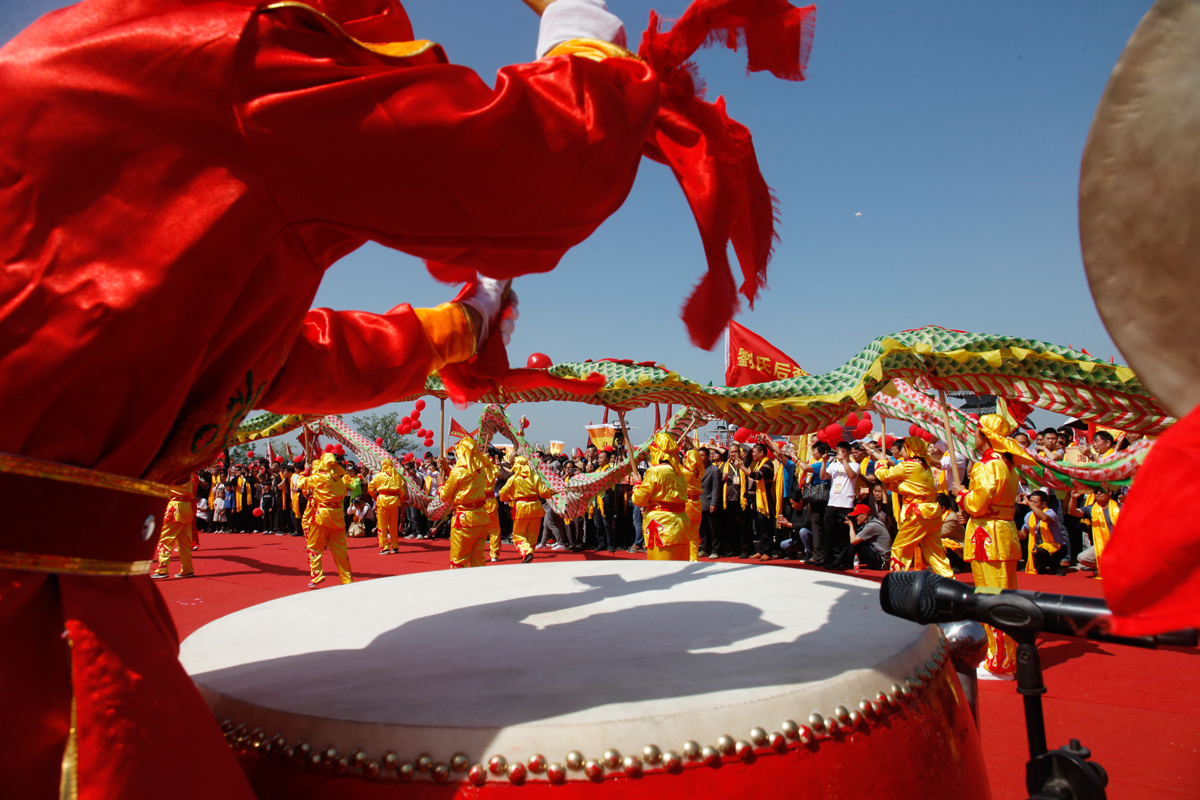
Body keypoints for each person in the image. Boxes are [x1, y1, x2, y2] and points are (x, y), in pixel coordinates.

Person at [953, 414, 1035, 681]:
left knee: (991, 598)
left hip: (987, 535)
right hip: (1000, 532)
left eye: (976, 432)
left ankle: (1000, 663)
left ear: (984, 434)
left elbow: (977, 504)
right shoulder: (1007, 465)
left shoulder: (987, 465)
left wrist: (961, 493)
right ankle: (1003, 657)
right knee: (1003, 596)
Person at [870, 437, 953, 578]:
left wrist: (881, 462)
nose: (902, 450)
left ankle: (896, 581)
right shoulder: (924, 463)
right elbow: (909, 487)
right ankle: (949, 580)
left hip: (918, 512)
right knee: (935, 552)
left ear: (910, 449)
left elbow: (883, 475)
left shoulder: (907, 466)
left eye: (904, 448)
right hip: (932, 511)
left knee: (900, 548)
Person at [631, 431, 690, 561]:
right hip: (681, 523)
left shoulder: (655, 471)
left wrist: (637, 483)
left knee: (662, 571)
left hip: (661, 525)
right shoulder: (680, 472)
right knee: (683, 570)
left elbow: (639, 499)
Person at [439, 438, 492, 569]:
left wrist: (441, 483)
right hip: (481, 517)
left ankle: (458, 587)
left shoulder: (459, 471)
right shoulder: (480, 470)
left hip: (464, 520)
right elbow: (465, 480)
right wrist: (447, 470)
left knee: (459, 560)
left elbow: (445, 496)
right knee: (478, 559)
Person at [304, 453, 353, 589]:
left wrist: (306, 470)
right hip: (337, 515)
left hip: (323, 515)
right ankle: (346, 578)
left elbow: (301, 484)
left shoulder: (320, 477)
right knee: (340, 550)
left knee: (314, 547)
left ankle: (316, 574)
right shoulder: (340, 480)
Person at [499, 455, 555, 563]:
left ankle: (527, 552)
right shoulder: (535, 477)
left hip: (522, 507)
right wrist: (551, 492)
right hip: (536, 507)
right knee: (532, 534)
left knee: (518, 534)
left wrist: (509, 498)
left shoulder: (514, 479)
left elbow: (502, 493)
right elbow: (544, 493)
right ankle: (529, 554)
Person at [817, 441, 860, 569]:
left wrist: (844, 460)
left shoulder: (855, 465)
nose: (840, 454)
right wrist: (824, 462)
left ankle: (846, 561)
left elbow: (852, 475)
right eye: (838, 451)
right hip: (832, 503)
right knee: (829, 532)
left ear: (849, 452)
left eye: (843, 452)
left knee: (845, 534)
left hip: (846, 504)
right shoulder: (833, 465)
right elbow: (823, 476)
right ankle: (828, 557)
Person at [151, 477, 199, 580]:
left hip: (175, 507)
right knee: (185, 543)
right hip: (187, 507)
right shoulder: (190, 475)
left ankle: (162, 569)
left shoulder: (174, 473)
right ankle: (187, 569)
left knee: (166, 540)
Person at [1068, 485, 1121, 577]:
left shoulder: (1120, 507)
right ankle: (1102, 566)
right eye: (1096, 492)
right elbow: (1073, 512)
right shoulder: (1091, 509)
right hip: (1101, 545)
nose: (1099, 493)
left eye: (1102, 491)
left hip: (1120, 545)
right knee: (1082, 558)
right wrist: (1073, 499)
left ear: (1110, 492)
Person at [1021, 490, 1064, 575]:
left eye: (1034, 502)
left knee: (1041, 550)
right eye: (1031, 501)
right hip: (1037, 547)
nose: (1031, 504)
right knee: (1019, 542)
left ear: (1044, 504)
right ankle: (1038, 566)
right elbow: (1023, 535)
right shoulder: (1029, 515)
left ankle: (1056, 567)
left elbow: (1044, 518)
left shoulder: (1050, 512)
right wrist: (1011, 526)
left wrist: (1029, 503)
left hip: (1056, 547)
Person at [368, 458, 405, 555]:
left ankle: (384, 547)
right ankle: (395, 546)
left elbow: (370, 487)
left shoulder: (379, 475)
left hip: (382, 501)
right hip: (394, 501)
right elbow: (402, 491)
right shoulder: (397, 476)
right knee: (393, 526)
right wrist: (403, 500)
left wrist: (375, 496)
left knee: (382, 526)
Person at [846, 502, 892, 570]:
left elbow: (853, 541)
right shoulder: (873, 522)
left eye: (857, 516)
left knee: (858, 543)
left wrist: (851, 525)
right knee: (859, 540)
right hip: (881, 558)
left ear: (864, 515)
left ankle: (839, 562)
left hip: (881, 562)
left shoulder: (871, 526)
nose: (855, 519)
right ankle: (841, 562)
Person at [700, 447, 723, 558]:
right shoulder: (696, 469)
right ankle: (705, 548)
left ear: (708, 456)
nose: (700, 457)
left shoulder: (714, 470)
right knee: (702, 528)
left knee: (714, 528)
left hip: (709, 502)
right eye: (698, 455)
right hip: (698, 503)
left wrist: (714, 503)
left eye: (703, 455)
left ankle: (715, 550)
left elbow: (716, 488)